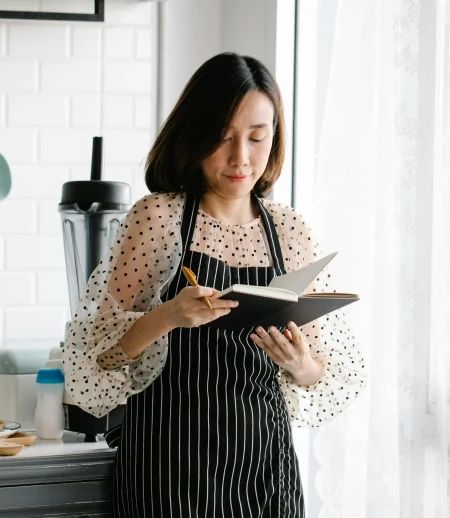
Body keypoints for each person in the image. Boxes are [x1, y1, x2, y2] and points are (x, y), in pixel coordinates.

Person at [63, 52, 367, 517]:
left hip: (266, 475)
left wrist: (300, 362)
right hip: (168, 475)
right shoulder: (157, 219)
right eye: (223, 138)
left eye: (257, 137)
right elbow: (93, 362)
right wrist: (168, 316)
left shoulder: (290, 231)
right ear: (195, 134)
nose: (241, 158)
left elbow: (328, 375)